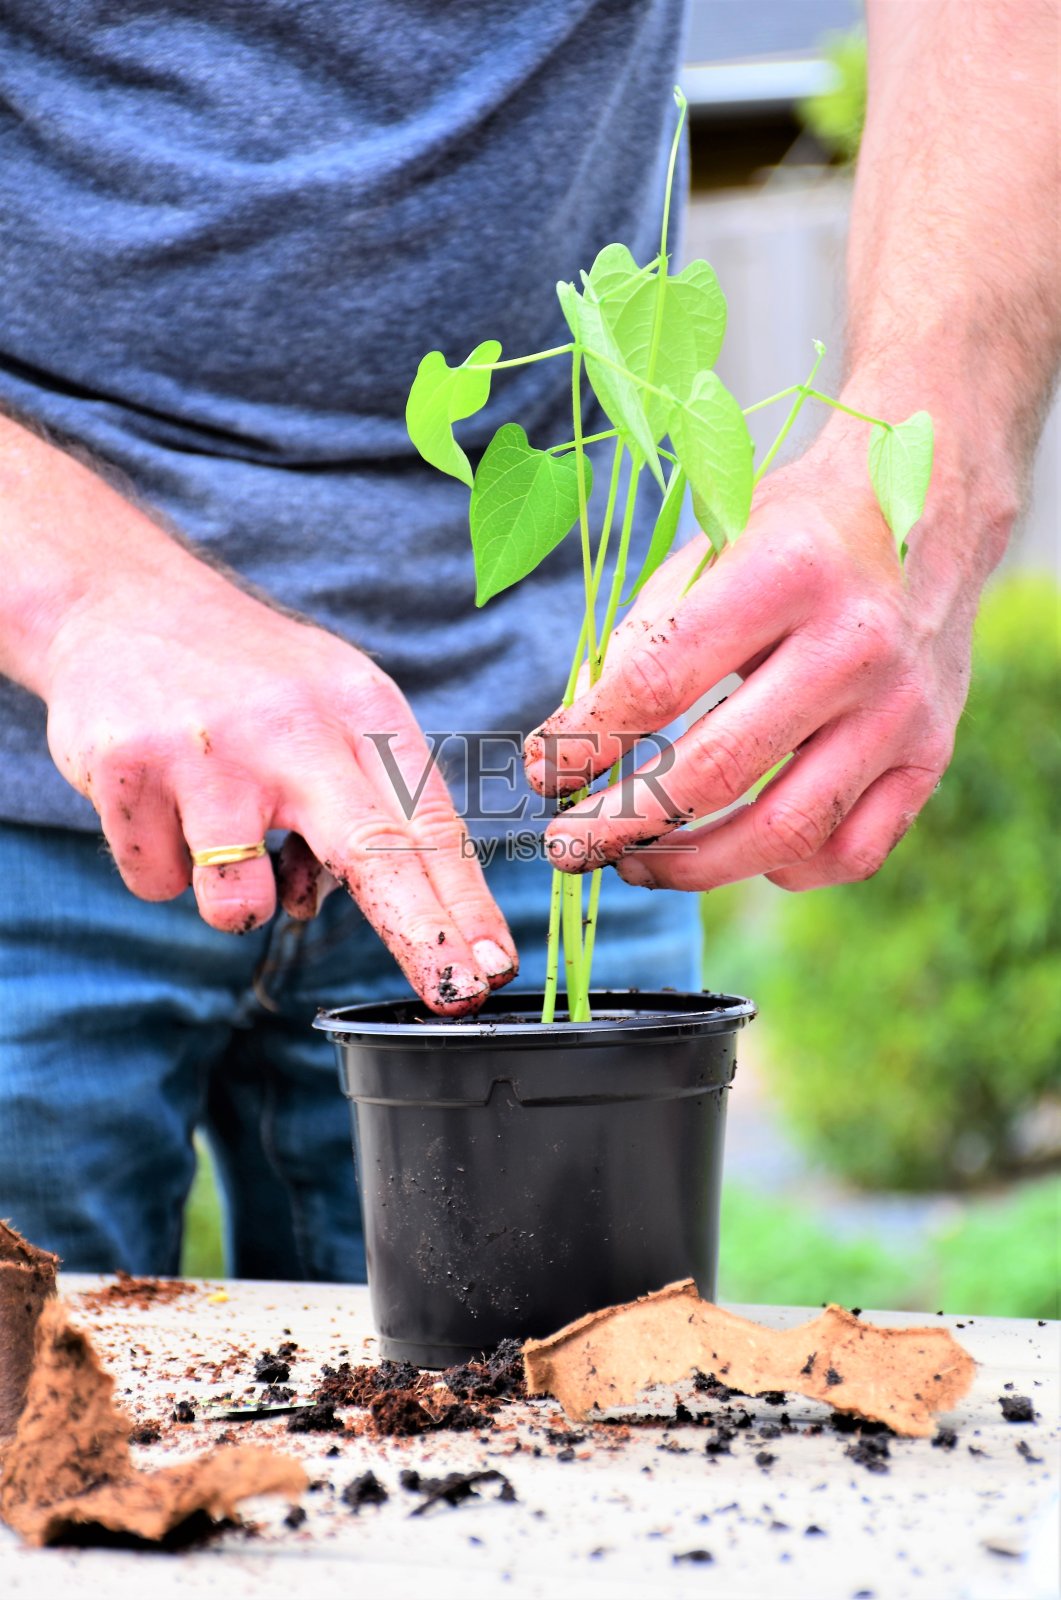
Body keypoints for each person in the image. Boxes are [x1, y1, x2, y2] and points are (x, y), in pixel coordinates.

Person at [0, 1, 1055, 1277]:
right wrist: (83, 600)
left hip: (544, 776)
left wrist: (932, 455)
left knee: (578, 1415)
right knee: (34, 1457)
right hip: (32, 768)